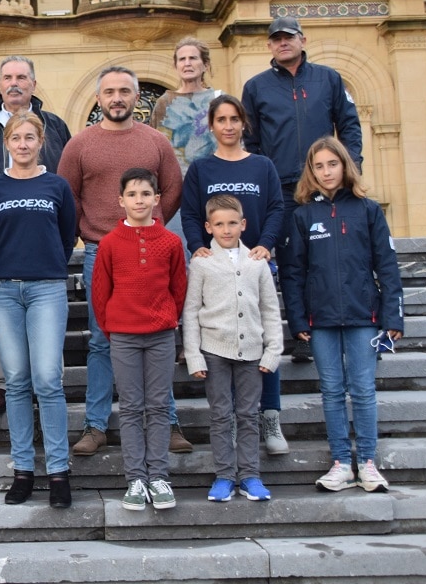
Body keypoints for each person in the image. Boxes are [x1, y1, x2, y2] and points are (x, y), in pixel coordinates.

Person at [57, 66, 186, 457]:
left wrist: (150, 223)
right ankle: (96, 426)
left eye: (125, 91)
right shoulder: (79, 145)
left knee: (159, 336)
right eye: (110, 91)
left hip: (151, 250)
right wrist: (87, 229)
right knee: (101, 340)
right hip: (101, 251)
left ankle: (168, 421)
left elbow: (173, 188)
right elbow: (68, 194)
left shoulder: (155, 143)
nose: (117, 98)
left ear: (136, 97)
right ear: (98, 98)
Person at [281, 136, 403, 494]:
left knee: (363, 390)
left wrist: (393, 316)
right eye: (318, 166)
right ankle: (340, 464)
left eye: (331, 164)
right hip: (320, 322)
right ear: (311, 171)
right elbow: (293, 273)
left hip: (364, 316)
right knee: (332, 391)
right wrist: (298, 319)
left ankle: (367, 462)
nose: (326, 171)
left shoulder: (368, 210)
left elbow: (388, 266)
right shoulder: (303, 215)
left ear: (344, 166)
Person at [241, 15, 362, 362]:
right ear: (269, 45)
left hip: (326, 189)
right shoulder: (256, 87)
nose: (283, 43)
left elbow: (349, 126)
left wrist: (349, 167)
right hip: (281, 191)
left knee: (330, 260)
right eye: (276, 39)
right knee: (292, 264)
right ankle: (302, 333)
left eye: (289, 37)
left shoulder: (329, 79)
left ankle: (345, 329)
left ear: (302, 40)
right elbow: (252, 141)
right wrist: (264, 180)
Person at [178, 94, 290, 455]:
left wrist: (267, 244)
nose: (228, 126)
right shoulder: (201, 169)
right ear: (211, 126)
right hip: (216, 269)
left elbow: (276, 207)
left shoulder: (261, 166)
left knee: (261, 335)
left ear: (244, 123)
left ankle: (269, 416)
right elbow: (192, 213)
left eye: (234, 119)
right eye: (221, 119)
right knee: (223, 340)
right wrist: (197, 245)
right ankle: (228, 420)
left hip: (254, 262)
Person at [0, 111, 76, 508]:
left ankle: (58, 471)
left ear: (41, 142)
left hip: (47, 289)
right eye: (15, 138)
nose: (22, 144)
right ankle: (23, 470)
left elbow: (68, 234)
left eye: (29, 138)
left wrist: (44, 265)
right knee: (16, 380)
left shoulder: (57, 186)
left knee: (48, 379)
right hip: (2, 290)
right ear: (7, 143)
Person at [0, 55, 72, 415]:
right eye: (8, 77)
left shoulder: (55, 126)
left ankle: (47, 382)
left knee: (46, 318)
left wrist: (58, 251)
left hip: (42, 237)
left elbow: (67, 180)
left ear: (33, 83)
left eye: (22, 78)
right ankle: (3, 384)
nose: (14, 83)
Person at [91, 168, 187, 512]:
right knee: (131, 407)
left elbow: (178, 288)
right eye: (132, 195)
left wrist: (166, 320)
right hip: (124, 337)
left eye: (146, 194)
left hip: (160, 335)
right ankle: (135, 478)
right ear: (121, 201)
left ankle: (159, 476)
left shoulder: (171, 242)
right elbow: (101, 294)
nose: (139, 200)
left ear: (157, 200)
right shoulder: (110, 243)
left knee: (159, 406)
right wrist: (114, 328)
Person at [183, 194, 283, 503]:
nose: (226, 230)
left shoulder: (257, 263)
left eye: (232, 223)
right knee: (221, 415)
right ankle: (225, 476)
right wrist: (193, 355)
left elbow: (270, 308)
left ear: (243, 224)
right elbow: (190, 311)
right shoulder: (201, 262)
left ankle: (250, 475)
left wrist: (273, 351)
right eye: (219, 224)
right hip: (214, 350)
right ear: (208, 227)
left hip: (252, 352)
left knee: (248, 415)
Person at [149, 37, 221, 237]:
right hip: (176, 194)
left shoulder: (220, 100)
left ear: (205, 64)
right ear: (176, 65)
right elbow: (155, 151)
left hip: (215, 190)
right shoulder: (164, 103)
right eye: (182, 59)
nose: (187, 63)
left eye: (193, 58)